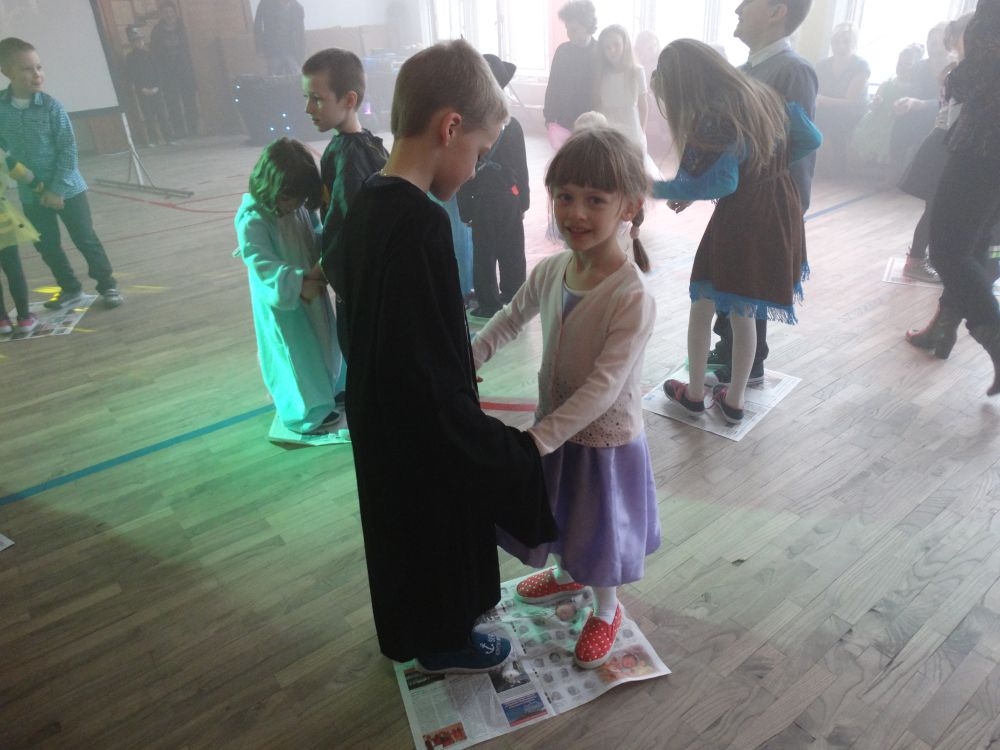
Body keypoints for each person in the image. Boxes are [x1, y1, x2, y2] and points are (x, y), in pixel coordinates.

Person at [330, 39, 557, 673]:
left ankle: (425, 631)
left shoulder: (369, 201)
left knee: (400, 528)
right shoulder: (422, 222)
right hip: (420, 423)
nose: (478, 169)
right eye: (480, 153)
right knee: (436, 525)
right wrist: (483, 436)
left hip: (378, 413)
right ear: (450, 127)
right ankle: (445, 641)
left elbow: (380, 319)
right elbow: (422, 362)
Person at [472, 126, 659, 670]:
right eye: (565, 196)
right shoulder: (554, 269)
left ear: (628, 206)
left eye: (595, 200)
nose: (576, 213)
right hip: (553, 429)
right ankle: (563, 576)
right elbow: (510, 318)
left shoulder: (631, 295)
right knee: (560, 512)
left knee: (598, 529)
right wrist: (471, 356)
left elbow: (605, 384)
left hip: (603, 442)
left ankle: (607, 609)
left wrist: (539, 439)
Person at [652, 39, 821, 425]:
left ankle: (695, 394)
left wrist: (656, 188)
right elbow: (812, 139)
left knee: (703, 301)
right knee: (745, 308)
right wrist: (769, 166)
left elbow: (723, 182)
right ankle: (734, 402)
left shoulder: (714, 116)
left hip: (741, 217)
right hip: (780, 204)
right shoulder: (764, 95)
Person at [707, 0, 818, 389]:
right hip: (738, 195)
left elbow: (793, 148)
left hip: (767, 200)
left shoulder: (793, 71)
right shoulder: (744, 71)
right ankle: (731, 350)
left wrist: (789, 207)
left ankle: (749, 363)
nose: (738, 8)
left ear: (776, 12)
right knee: (730, 274)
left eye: (749, 2)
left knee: (749, 281)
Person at [0, 37, 123, 310]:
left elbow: (68, 150)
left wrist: (56, 189)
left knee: (85, 239)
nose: (37, 74)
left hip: (68, 189)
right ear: (7, 72)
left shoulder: (51, 106)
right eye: (27, 69)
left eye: (39, 67)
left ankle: (107, 285)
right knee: (46, 245)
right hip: (31, 194)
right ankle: (70, 288)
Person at [235, 138, 340, 435]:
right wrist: (298, 283)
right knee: (295, 354)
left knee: (323, 343)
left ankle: (328, 390)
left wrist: (325, 257)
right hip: (286, 304)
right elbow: (261, 263)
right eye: (287, 197)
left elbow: (314, 235)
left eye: (298, 198)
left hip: (310, 293)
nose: (293, 204)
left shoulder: (298, 209)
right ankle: (306, 410)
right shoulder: (254, 219)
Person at [924, 0, 1000, 396]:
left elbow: (971, 81)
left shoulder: (991, 16)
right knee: (972, 247)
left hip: (983, 147)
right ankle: (942, 330)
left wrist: (948, 69)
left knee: (948, 251)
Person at [300, 48, 388, 363]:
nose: (308, 108)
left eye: (317, 99)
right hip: (374, 284)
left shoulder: (350, 158)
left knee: (363, 357)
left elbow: (347, 229)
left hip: (362, 289)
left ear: (349, 100)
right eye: (307, 98)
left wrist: (318, 273)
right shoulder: (365, 144)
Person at [897, 14, 973, 286]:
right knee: (935, 208)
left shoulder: (962, 69)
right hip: (946, 144)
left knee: (940, 208)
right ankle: (916, 260)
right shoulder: (960, 72)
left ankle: (928, 258)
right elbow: (954, 118)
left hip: (950, 142)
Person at [456, 53, 530, 319]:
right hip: (510, 197)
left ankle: (488, 302)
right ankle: (515, 296)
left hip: (481, 199)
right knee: (513, 249)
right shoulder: (513, 126)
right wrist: (523, 202)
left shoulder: (468, 126)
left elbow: (464, 170)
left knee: (484, 253)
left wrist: (465, 209)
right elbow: (521, 168)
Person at [888, 22, 952, 182]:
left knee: (932, 126)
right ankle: (895, 172)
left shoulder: (955, 68)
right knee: (902, 121)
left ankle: (920, 178)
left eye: (938, 43)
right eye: (931, 43)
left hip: (944, 114)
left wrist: (921, 104)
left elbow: (950, 101)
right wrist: (903, 103)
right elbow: (912, 92)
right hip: (918, 110)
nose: (934, 48)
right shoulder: (919, 67)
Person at [595, 25, 659, 179]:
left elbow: (643, 105)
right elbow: (599, 104)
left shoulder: (637, 72)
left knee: (632, 171)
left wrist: (642, 131)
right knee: (611, 169)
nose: (612, 50)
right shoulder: (602, 74)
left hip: (632, 129)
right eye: (607, 47)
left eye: (616, 45)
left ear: (625, 44)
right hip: (608, 127)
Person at [849, 44, 924, 170]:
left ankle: (886, 169)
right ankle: (871, 167)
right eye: (899, 63)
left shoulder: (915, 88)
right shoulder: (888, 83)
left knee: (891, 145)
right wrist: (876, 103)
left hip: (898, 122)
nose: (902, 67)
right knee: (869, 141)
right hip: (878, 120)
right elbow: (873, 104)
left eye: (907, 64)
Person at [0, 136, 43, 335]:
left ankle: (2, 321)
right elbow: (27, 177)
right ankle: (25, 318)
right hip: (3, 224)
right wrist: (41, 189)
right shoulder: (4, 158)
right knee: (14, 269)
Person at [543, 0, 600, 151]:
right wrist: (549, 116)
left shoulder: (599, 51)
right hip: (565, 117)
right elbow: (553, 84)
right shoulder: (562, 51)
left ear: (587, 26)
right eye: (567, 29)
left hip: (592, 118)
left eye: (574, 29)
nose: (569, 34)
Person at [814, 24, 870, 175]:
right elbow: (815, 89)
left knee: (831, 119)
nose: (841, 46)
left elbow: (851, 100)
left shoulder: (861, 66)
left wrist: (822, 100)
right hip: (825, 107)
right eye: (836, 42)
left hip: (852, 111)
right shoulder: (822, 65)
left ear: (854, 43)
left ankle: (837, 166)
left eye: (846, 41)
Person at [151, 0, 198, 139]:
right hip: (167, 73)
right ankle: (179, 131)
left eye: (171, 11)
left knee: (189, 101)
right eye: (165, 12)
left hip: (185, 70)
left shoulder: (184, 27)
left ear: (175, 12)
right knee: (172, 103)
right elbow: (154, 53)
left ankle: (193, 129)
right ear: (161, 14)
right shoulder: (156, 31)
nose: (169, 14)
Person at [123, 25, 174, 148]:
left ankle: (168, 138)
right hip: (143, 91)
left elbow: (159, 73)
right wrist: (142, 89)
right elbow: (132, 76)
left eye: (140, 40)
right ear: (132, 43)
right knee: (148, 116)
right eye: (136, 41)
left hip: (156, 89)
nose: (139, 43)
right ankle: (153, 140)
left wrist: (157, 87)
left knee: (162, 114)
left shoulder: (151, 55)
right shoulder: (130, 58)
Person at [254, 0, 305, 76]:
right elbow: (257, 27)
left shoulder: (298, 8)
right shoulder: (265, 4)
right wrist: (259, 50)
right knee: (274, 78)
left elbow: (301, 33)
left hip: (292, 52)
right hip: (272, 52)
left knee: (295, 78)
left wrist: (301, 55)